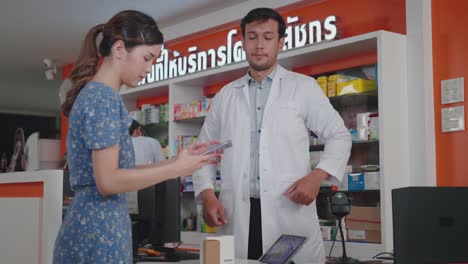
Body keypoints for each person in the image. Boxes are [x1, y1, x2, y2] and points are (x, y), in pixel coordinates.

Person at [53, 10, 220, 263]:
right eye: (147, 58)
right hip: (100, 230)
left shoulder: (98, 95)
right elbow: (108, 181)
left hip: (94, 225)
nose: (150, 68)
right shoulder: (104, 98)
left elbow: (116, 171)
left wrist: (176, 162)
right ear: (120, 48)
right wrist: (175, 168)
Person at [193, 8, 351, 263]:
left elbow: (339, 135)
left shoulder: (303, 87)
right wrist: (208, 195)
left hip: (288, 210)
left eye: (267, 37)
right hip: (236, 214)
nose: (259, 45)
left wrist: (316, 177)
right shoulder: (226, 95)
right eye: (252, 37)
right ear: (242, 42)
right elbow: (204, 151)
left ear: (280, 43)